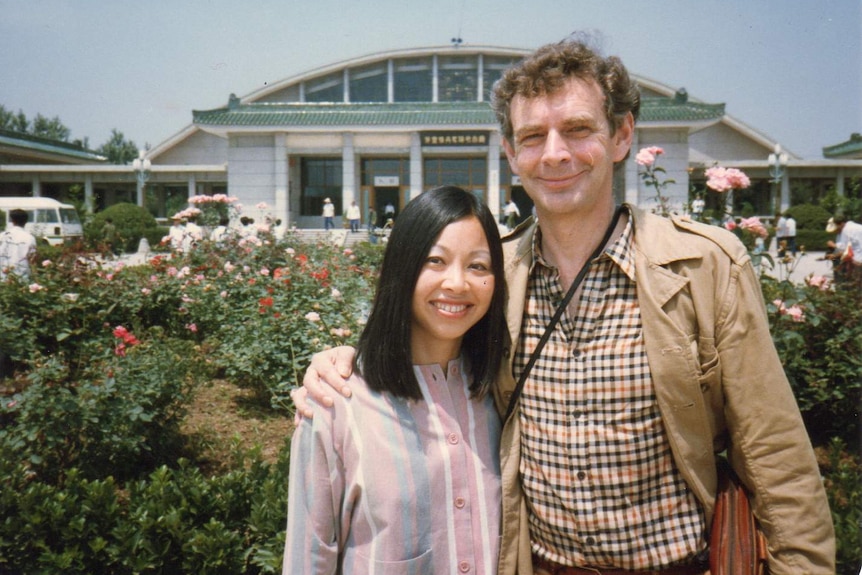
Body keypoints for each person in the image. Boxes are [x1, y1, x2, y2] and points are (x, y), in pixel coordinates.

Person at [297, 36, 835, 575]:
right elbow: (426, 353)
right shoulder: (495, 277)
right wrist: (341, 360)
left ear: (621, 135)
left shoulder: (703, 267)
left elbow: (775, 457)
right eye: (533, 136)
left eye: (578, 130)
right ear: (511, 153)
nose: (554, 153)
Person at [283, 186, 507, 574]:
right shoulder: (338, 404)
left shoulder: (502, 394)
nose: (457, 283)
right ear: (402, 268)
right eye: (435, 261)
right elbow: (308, 560)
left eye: (478, 266)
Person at [0, 209, 37, 281]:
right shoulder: (29, 238)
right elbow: (32, 260)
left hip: (2, 277)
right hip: (21, 279)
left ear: (12, 221)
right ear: (26, 222)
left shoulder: (2, 236)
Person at [825, 213, 862, 285]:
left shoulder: (846, 230)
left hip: (857, 261)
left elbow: (845, 251)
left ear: (841, 224)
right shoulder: (857, 227)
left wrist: (834, 252)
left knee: (856, 285)